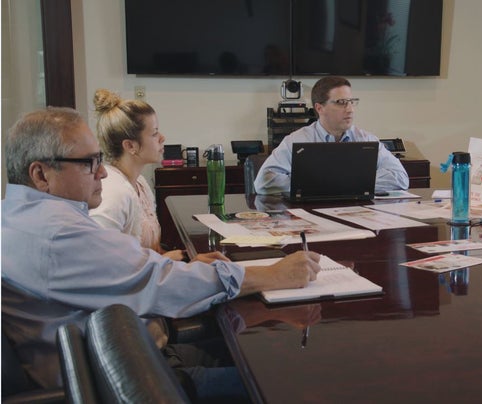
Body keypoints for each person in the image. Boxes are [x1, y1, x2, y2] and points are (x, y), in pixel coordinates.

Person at [1, 107, 323, 389]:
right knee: (292, 376)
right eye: (89, 163)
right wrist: (270, 275)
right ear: (41, 174)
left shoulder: (17, 216)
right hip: (127, 380)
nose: (101, 171)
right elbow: (159, 283)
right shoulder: (56, 234)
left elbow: (130, 273)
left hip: (121, 358)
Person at [254, 76, 409, 194]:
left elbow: (400, 178)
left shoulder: (366, 139)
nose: (350, 109)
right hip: (312, 217)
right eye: (341, 102)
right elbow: (264, 181)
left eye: (351, 102)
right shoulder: (297, 141)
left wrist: (346, 183)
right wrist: (321, 185)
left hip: (357, 214)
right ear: (320, 108)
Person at [89, 89, 183, 260]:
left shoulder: (140, 182)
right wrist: (168, 260)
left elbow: (151, 251)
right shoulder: (113, 193)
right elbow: (101, 260)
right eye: (154, 133)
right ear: (130, 146)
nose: (162, 137)